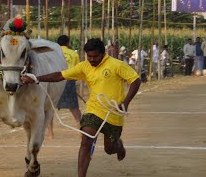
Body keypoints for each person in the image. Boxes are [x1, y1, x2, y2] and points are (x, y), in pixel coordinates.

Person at [21, 38, 141, 177]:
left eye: (95, 56)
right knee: (86, 141)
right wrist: (36, 78)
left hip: (113, 114)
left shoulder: (116, 65)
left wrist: (126, 102)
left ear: (103, 54)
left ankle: (118, 146)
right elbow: (60, 75)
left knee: (110, 149)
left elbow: (135, 80)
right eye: (89, 56)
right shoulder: (84, 66)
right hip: (93, 110)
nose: (92, 59)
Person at [52, 35, 82, 138]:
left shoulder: (53, 53)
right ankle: (80, 128)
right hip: (69, 80)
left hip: (54, 81)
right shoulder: (74, 54)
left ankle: (50, 133)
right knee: (74, 107)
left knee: (49, 107)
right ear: (68, 43)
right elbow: (78, 70)